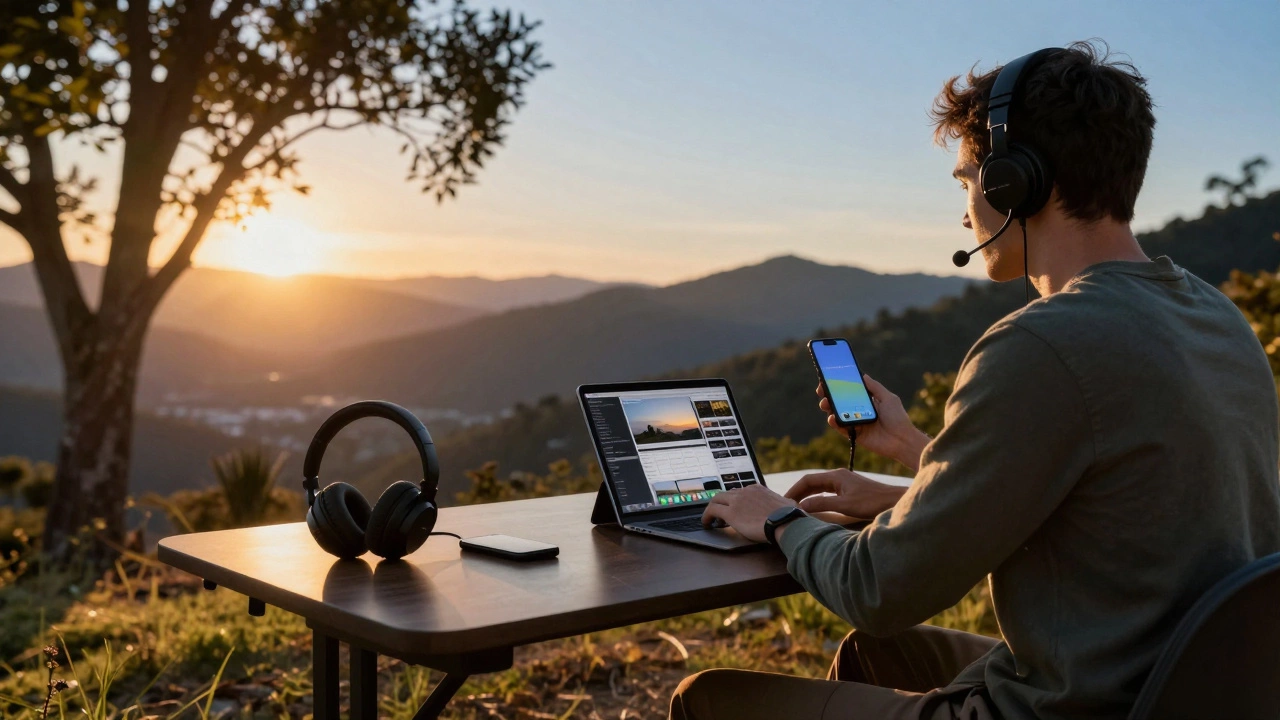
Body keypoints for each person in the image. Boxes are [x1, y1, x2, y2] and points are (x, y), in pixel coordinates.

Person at [674, 40, 1280, 720]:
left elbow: (879, 589)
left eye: (967, 180)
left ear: (1014, 182)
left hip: (1070, 705)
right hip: (1177, 687)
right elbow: (1106, 494)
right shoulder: (1217, 316)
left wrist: (776, 518)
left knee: (707, 699)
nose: (966, 212)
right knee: (878, 656)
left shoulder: (1041, 344)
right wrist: (916, 456)